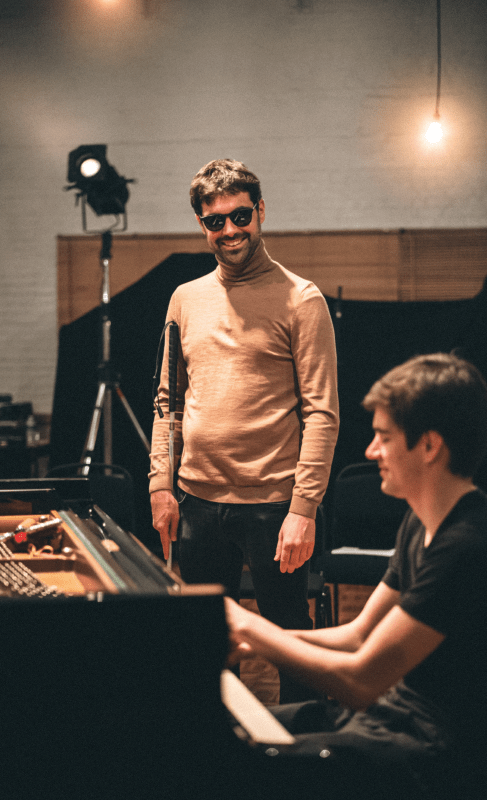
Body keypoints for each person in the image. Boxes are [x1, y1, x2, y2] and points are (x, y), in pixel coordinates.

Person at [225, 353, 487, 800]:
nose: (370, 451)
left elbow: (359, 680)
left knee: (242, 765)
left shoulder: (473, 544)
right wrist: (253, 637)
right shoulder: (419, 521)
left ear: (429, 446)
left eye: (384, 437)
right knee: (230, 730)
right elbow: (357, 636)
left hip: (446, 761)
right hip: (394, 724)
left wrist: (249, 626)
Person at [149, 159, 339, 702]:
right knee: (208, 638)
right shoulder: (185, 299)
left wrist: (303, 510)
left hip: (274, 506)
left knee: (288, 638)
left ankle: (297, 763)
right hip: (198, 502)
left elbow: (322, 412)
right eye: (215, 221)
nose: (229, 231)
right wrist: (161, 483)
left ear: (260, 211)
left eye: (239, 216)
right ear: (201, 225)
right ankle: (219, 754)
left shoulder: (302, 299)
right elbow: (168, 399)